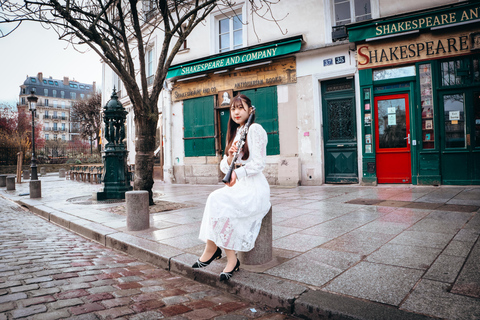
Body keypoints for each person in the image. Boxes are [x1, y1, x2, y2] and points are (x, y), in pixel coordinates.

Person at [192, 94, 271, 281]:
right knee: (214, 199)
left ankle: (227, 258)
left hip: (254, 187)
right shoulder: (237, 131)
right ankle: (214, 250)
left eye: (240, 108)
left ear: (250, 110)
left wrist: (238, 173)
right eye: (233, 109)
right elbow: (224, 166)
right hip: (240, 185)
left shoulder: (255, 129)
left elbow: (259, 163)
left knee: (221, 201)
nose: (236, 112)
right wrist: (230, 157)